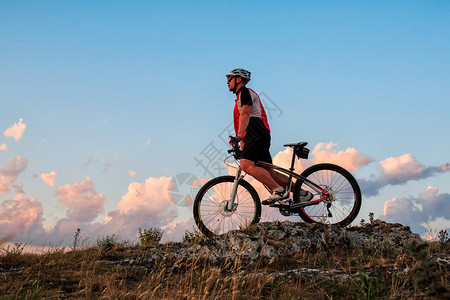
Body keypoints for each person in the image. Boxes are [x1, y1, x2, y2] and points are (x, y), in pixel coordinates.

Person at [226, 68, 313, 205]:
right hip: (257, 134)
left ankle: (278, 191)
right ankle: (301, 193)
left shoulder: (245, 93)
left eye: (229, 79)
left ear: (238, 80)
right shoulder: (242, 96)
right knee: (269, 172)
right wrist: (241, 141)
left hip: (256, 132)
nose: (227, 82)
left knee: (246, 165)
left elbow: (245, 114)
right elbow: (243, 120)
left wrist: (238, 136)